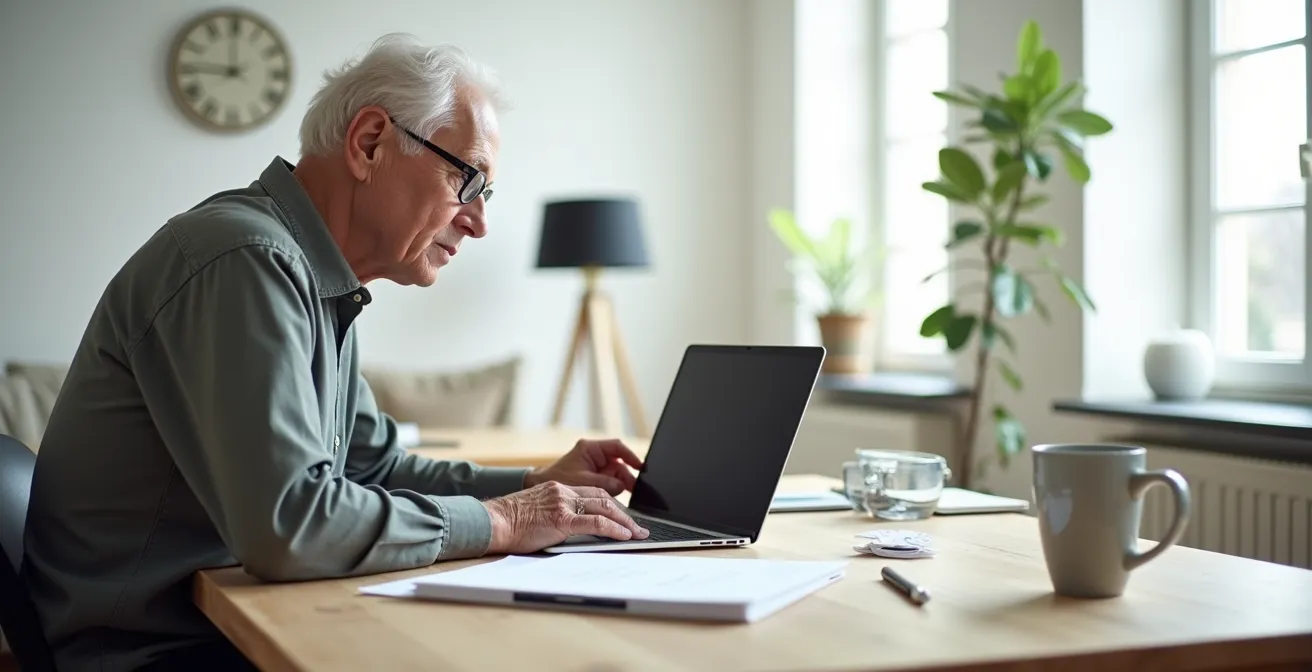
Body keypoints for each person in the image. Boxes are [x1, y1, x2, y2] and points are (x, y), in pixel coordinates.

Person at [22, 33, 648, 672]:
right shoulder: (247, 262)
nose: (478, 221)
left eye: (487, 194)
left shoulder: (312, 278)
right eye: (468, 179)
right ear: (370, 143)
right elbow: (292, 526)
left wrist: (533, 486)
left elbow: (372, 467)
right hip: (148, 653)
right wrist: (504, 521)